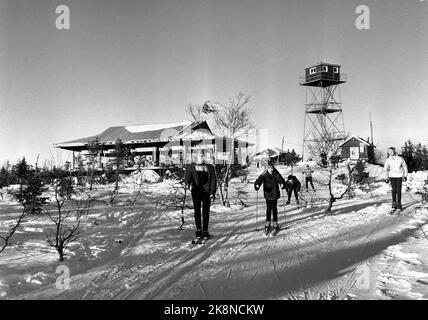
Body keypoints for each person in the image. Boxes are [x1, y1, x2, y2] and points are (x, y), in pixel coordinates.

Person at [185, 154, 217, 241]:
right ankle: (199, 230)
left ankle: (205, 230)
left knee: (206, 211)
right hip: (196, 191)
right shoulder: (191, 167)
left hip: (206, 191)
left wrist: (212, 193)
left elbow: (213, 181)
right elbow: (188, 177)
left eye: (202, 157)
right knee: (197, 210)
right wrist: (187, 184)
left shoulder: (210, 167)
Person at [254, 161, 286, 234]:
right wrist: (257, 185)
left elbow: (281, 179)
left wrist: (282, 184)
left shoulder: (276, 173)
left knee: (274, 208)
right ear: (267, 168)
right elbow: (259, 180)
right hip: (268, 194)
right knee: (268, 208)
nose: (271, 170)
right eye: (269, 168)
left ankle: (275, 224)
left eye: (272, 168)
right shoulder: (264, 173)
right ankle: (267, 224)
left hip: (274, 193)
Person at [384, 147, 408, 214]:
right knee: (393, 190)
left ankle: (399, 205)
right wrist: (386, 177)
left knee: (398, 190)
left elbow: (405, 167)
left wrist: (405, 175)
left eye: (391, 151)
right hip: (392, 176)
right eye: (389, 151)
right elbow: (385, 169)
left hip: (399, 176)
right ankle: (394, 205)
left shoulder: (400, 159)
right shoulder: (388, 160)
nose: (390, 153)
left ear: (394, 151)